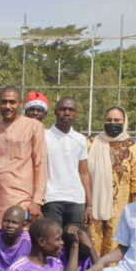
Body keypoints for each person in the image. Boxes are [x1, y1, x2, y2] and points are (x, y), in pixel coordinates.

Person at [0, 86, 47, 232]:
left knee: (21, 245)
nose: (8, 106)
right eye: (4, 102)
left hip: (22, 199)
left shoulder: (34, 126)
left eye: (12, 102)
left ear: (20, 104)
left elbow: (40, 165)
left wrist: (37, 201)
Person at [87, 106, 136, 271]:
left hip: (121, 205)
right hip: (93, 203)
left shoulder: (132, 147)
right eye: (109, 120)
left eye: (117, 121)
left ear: (124, 122)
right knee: (92, 240)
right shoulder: (92, 143)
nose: (113, 124)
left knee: (114, 243)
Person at [44, 97, 92, 227]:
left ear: (76, 114)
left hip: (76, 200)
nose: (66, 113)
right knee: (52, 242)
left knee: (75, 241)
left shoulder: (80, 139)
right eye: (63, 109)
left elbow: (84, 173)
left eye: (71, 110)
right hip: (51, 199)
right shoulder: (44, 136)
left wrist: (89, 206)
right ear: (55, 111)